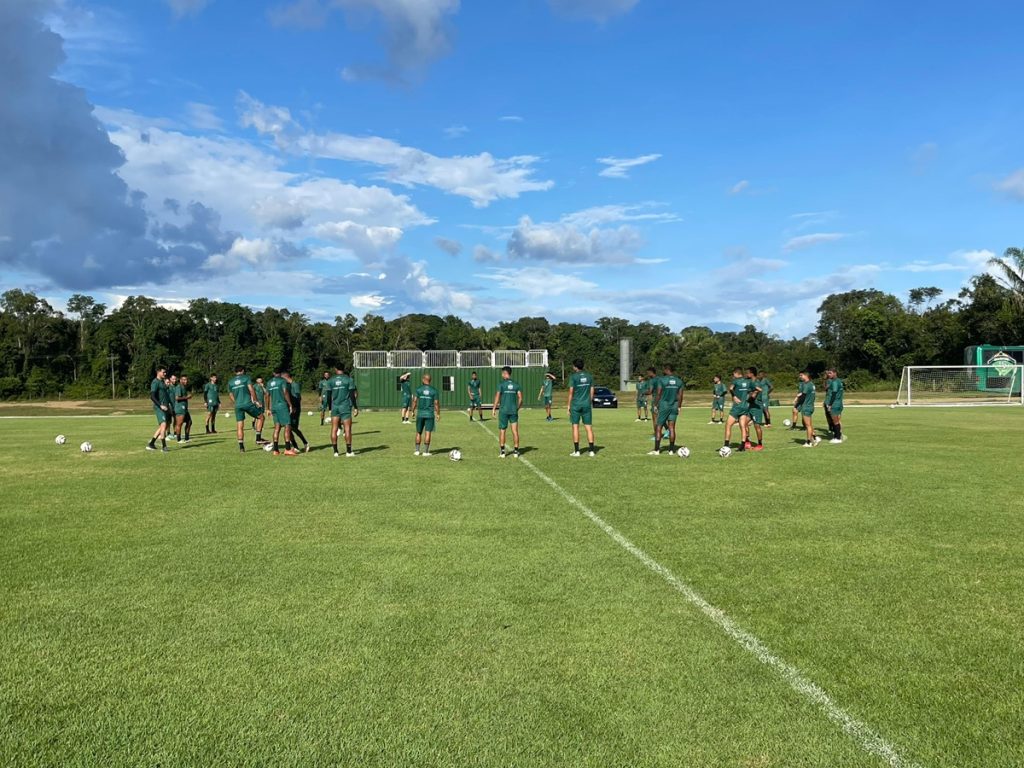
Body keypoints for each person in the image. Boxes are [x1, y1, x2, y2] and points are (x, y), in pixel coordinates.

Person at [228, 365, 265, 452]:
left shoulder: (230, 381)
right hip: (247, 403)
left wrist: (236, 402)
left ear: (235, 372)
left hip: (238, 405)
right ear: (243, 371)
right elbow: (251, 390)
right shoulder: (246, 378)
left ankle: (241, 447)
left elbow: (230, 394)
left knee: (240, 426)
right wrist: (256, 401)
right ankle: (258, 438)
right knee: (261, 417)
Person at [649, 364, 684, 455]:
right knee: (672, 428)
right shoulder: (679, 381)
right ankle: (671, 450)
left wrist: (656, 405)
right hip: (674, 406)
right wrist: (679, 406)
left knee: (659, 427)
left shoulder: (662, 380)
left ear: (667, 370)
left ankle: (656, 450)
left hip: (664, 405)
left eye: (664, 369)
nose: (663, 371)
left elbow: (659, 394)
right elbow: (680, 396)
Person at [491, 366, 522, 458]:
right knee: (515, 431)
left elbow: (497, 396)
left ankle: (502, 452)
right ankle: (516, 452)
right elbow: (520, 398)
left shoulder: (501, 384)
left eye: (502, 373)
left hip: (503, 410)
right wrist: (517, 408)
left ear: (505, 373)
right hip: (513, 411)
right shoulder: (516, 384)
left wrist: (494, 408)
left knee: (502, 431)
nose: (501, 375)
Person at [567, 359, 596, 456]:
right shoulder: (589, 376)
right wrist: (589, 401)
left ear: (575, 367)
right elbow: (592, 390)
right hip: (586, 404)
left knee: (575, 427)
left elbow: (571, 392)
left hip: (576, 404)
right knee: (589, 428)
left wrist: (568, 405)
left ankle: (577, 451)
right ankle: (591, 451)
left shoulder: (573, 377)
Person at [329, 364, 359, 457]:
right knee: (347, 429)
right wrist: (355, 407)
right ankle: (349, 451)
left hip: (335, 406)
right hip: (345, 406)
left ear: (335, 369)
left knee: (334, 428)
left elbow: (329, 395)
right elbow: (352, 395)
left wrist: (330, 408)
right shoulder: (348, 379)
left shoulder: (331, 380)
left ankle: (335, 452)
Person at [266, 369, 297, 456]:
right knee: (287, 426)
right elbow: (285, 392)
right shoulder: (282, 381)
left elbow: (267, 395)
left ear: (273, 373)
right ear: (280, 373)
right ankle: (287, 449)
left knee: (277, 428)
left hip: (274, 407)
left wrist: (268, 408)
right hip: (282, 406)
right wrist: (290, 404)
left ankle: (275, 450)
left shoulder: (269, 382)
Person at [723, 368, 755, 452]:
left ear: (736, 373)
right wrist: (749, 398)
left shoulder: (736, 381)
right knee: (743, 426)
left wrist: (734, 396)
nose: (733, 376)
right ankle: (742, 446)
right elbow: (755, 390)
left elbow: (730, 388)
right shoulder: (748, 381)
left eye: (733, 374)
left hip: (737, 406)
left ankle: (726, 445)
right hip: (745, 406)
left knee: (728, 425)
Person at [412, 373, 441, 456]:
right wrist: (438, 413)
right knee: (428, 432)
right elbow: (436, 403)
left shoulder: (418, 389)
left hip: (420, 414)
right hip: (429, 414)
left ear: (423, 379)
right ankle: (426, 452)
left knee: (418, 432)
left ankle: (417, 451)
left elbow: (414, 401)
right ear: (430, 380)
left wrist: (412, 411)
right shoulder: (434, 390)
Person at [146, 366, 172, 453]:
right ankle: (164, 446)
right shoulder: (155, 382)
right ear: (158, 372)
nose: (165, 374)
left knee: (162, 426)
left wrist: (168, 407)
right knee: (164, 425)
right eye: (163, 372)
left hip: (165, 407)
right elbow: (152, 396)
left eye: (165, 372)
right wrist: (160, 405)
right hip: (159, 407)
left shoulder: (162, 382)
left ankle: (151, 444)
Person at [282, 372, 310, 453]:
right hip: (288, 409)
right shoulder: (287, 385)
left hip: (295, 409)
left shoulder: (295, 385)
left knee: (293, 428)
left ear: (286, 377)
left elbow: (298, 397)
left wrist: (294, 407)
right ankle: (295, 446)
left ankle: (305, 443)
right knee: (288, 428)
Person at [795, 371, 821, 448]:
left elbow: (803, 396)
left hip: (806, 407)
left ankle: (809, 442)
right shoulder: (811, 384)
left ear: (806, 375)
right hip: (810, 406)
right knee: (809, 424)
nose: (800, 377)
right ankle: (816, 438)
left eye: (801, 375)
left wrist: (797, 399)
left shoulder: (806, 385)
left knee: (808, 426)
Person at [745, 367, 766, 451]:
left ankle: (760, 444)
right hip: (750, 406)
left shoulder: (757, 383)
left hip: (756, 407)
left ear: (752, 374)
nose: (746, 374)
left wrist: (752, 395)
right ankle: (747, 441)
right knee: (744, 423)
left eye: (747, 373)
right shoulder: (750, 382)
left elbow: (756, 393)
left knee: (756, 426)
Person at [824, 368, 845, 443]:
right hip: (839, 403)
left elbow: (834, 393)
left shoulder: (835, 382)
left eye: (830, 373)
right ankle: (836, 436)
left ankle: (838, 438)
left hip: (835, 404)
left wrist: (830, 404)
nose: (829, 374)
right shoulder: (839, 380)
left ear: (835, 373)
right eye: (828, 373)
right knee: (836, 420)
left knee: (835, 421)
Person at [173, 374, 193, 444]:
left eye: (186, 379)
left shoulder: (184, 387)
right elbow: (177, 398)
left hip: (184, 408)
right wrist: (187, 397)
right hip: (180, 408)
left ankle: (187, 438)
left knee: (189, 422)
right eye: (184, 380)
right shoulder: (179, 387)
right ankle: (178, 439)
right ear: (180, 380)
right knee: (179, 423)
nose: (186, 381)